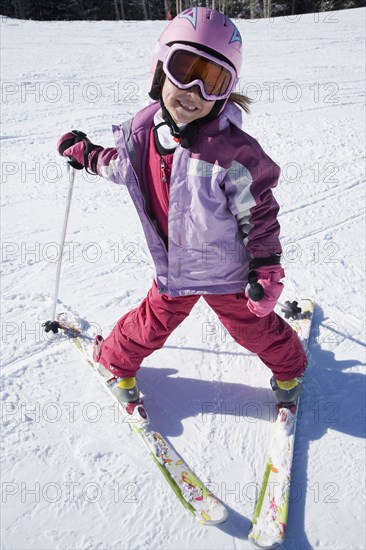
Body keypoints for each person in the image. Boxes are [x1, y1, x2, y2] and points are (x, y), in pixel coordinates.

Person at [57, 7, 307, 409]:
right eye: (184, 68)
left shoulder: (232, 153)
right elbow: (122, 167)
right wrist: (87, 155)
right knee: (151, 322)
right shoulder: (141, 132)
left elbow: (259, 212)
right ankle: (115, 362)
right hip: (174, 269)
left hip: (225, 272)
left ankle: (291, 369)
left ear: (225, 92)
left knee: (253, 328)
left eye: (211, 81)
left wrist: (267, 268)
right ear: (160, 69)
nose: (192, 91)